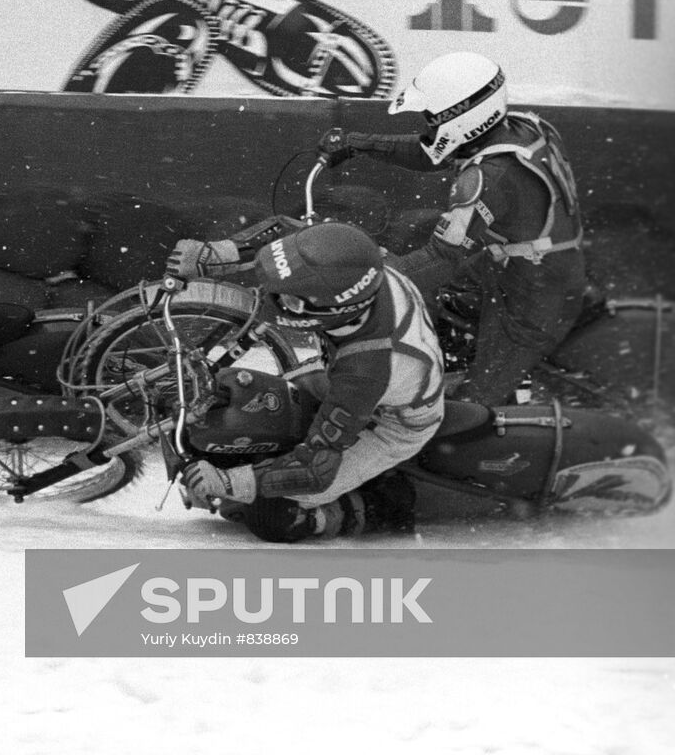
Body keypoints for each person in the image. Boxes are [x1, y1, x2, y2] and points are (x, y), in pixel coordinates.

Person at [315, 51, 587, 406]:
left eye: (431, 118)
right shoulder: (520, 127)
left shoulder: (487, 178)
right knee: (440, 303)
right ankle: (445, 357)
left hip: (537, 289)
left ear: (463, 117)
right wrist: (357, 144)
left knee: (474, 402)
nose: (427, 126)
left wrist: (369, 282)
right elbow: (432, 152)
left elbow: (443, 257)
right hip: (520, 259)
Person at [168, 221, 445, 542]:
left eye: (294, 301)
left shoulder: (365, 369)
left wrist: (231, 483)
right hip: (348, 371)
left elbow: (315, 469)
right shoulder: (361, 263)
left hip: (395, 422)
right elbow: (291, 240)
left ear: (339, 308)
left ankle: (379, 504)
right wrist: (220, 253)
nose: (274, 300)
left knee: (273, 512)